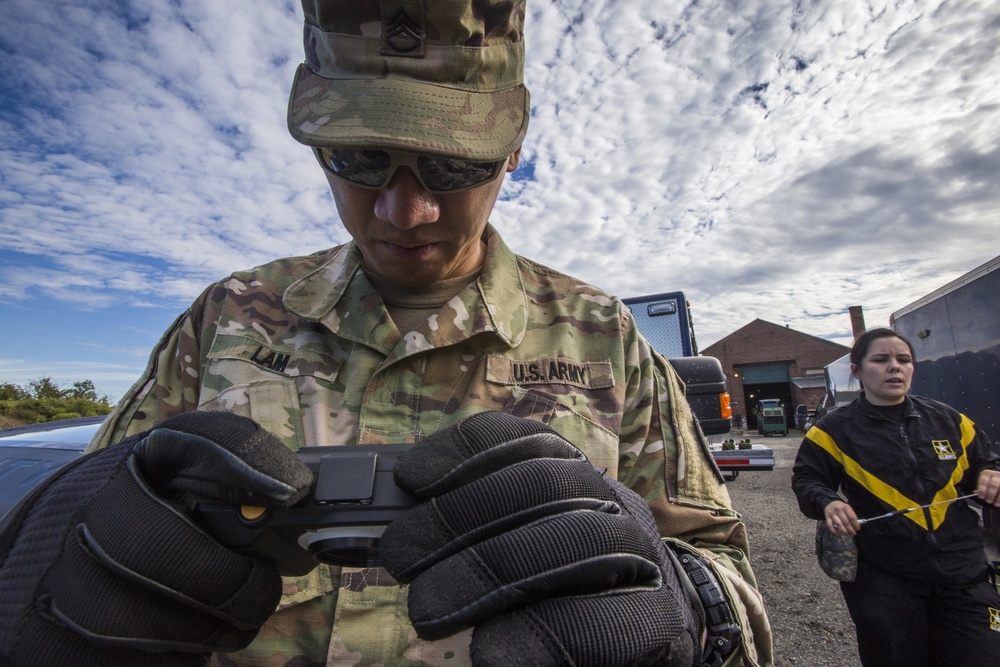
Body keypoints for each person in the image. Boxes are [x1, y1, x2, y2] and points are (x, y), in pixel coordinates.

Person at [0, 1, 771, 665]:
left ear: (511, 152)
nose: (405, 212)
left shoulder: (603, 338)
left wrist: (687, 605)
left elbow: (725, 564)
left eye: (448, 166)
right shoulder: (226, 318)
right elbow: (72, 527)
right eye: (360, 158)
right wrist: (65, 576)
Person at [792, 327, 1000, 667]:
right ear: (857, 371)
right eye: (881, 360)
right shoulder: (832, 431)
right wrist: (828, 502)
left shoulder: (952, 422)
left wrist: (992, 474)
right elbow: (807, 480)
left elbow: (986, 462)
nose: (895, 367)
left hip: (965, 579)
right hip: (885, 588)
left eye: (904, 360)